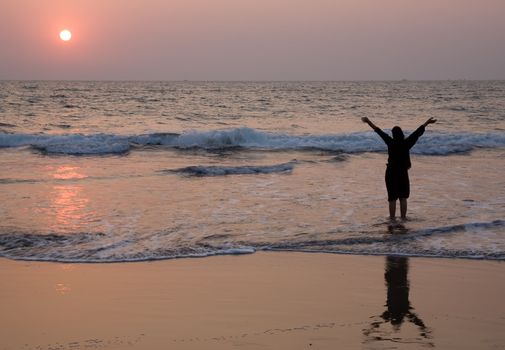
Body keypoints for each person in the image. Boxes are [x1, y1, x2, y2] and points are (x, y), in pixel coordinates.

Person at [362, 116, 437, 219]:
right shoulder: (406, 143)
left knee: (392, 198)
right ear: (401, 133)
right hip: (402, 172)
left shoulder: (390, 141)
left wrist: (368, 121)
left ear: (393, 135)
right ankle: (403, 219)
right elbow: (417, 133)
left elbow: (378, 131)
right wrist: (427, 123)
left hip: (391, 172)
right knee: (403, 197)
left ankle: (392, 220)